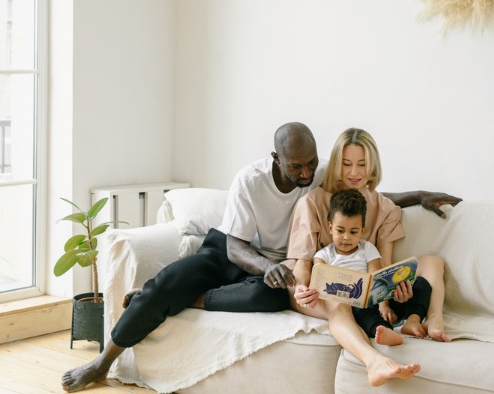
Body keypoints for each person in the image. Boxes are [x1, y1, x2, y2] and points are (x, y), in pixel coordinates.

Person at [61, 122, 459, 392]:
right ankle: (105, 360)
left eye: (311, 163)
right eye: (296, 165)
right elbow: (235, 246)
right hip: (230, 251)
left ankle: (183, 299)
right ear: (276, 158)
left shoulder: (318, 174)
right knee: (172, 281)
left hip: (276, 266)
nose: (306, 172)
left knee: (269, 298)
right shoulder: (250, 181)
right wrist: (268, 267)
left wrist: (418, 197)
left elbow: (365, 191)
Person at [288, 127, 453, 342]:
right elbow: (303, 263)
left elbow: (383, 266)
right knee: (337, 301)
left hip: (366, 290)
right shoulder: (311, 203)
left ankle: (433, 318)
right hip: (320, 291)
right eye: (346, 164)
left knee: (433, 262)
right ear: (336, 164)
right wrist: (302, 289)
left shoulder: (385, 208)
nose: (354, 173)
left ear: (372, 165)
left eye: (362, 164)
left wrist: (392, 292)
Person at [296, 189, 425, 386]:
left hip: (370, 299)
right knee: (362, 313)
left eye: (353, 232)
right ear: (330, 228)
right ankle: (384, 331)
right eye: (340, 231)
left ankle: (404, 322)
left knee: (421, 285)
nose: (346, 237)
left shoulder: (368, 249)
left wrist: (384, 305)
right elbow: (320, 281)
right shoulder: (324, 255)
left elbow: (376, 279)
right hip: (348, 305)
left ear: (362, 231)